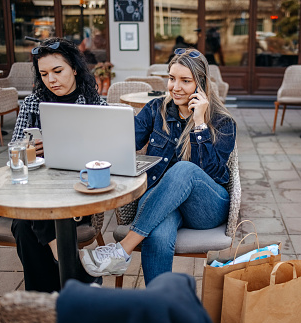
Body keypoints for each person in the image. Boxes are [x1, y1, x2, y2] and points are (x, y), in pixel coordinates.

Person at [80, 48, 236, 285]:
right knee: (158, 235)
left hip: (205, 207)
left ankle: (123, 249)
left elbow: (212, 172)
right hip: (161, 202)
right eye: (172, 78)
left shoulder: (222, 121)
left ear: (201, 84)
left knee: (184, 169)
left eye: (185, 81)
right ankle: (158, 306)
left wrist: (199, 123)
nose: (175, 87)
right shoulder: (156, 109)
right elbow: (124, 142)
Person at [11, 37, 106, 292]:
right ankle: (72, 271)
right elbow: (14, 156)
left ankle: (45, 299)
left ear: (74, 68)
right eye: (43, 74)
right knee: (23, 222)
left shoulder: (96, 104)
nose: (51, 80)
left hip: (77, 193)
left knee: (24, 224)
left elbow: (110, 154)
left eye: (57, 71)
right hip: (37, 190)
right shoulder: (32, 104)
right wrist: (26, 150)